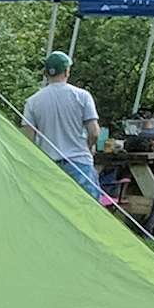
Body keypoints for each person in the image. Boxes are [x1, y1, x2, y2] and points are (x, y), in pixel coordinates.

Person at [22, 51, 104, 199]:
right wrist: (88, 147)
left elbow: (28, 140)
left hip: (49, 167)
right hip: (79, 164)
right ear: (66, 71)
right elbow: (94, 133)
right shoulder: (82, 96)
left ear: (46, 73)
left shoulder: (32, 102)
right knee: (87, 209)